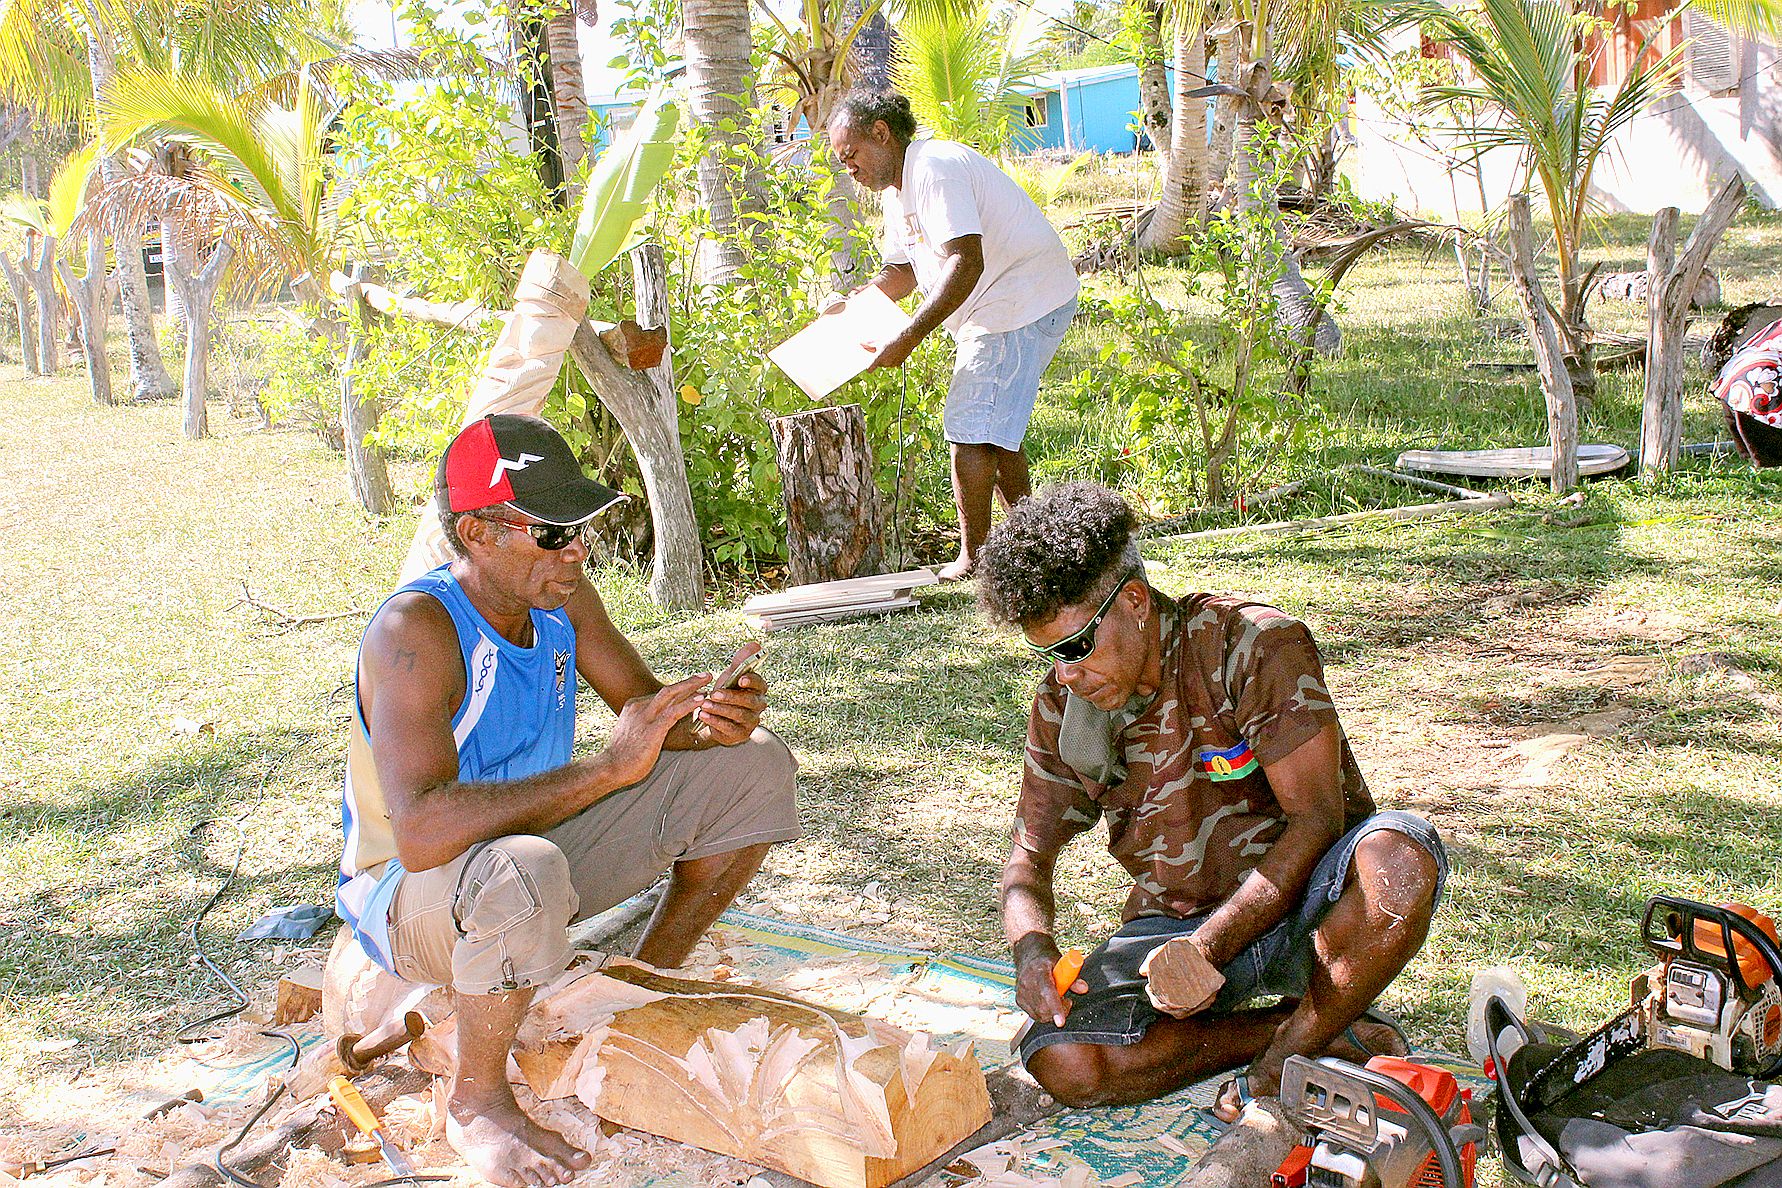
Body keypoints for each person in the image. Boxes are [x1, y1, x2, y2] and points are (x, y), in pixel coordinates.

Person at [335, 414, 800, 1187]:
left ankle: (642, 982)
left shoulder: (562, 599)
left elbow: (643, 719)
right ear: (479, 531)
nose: (578, 550)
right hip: (408, 898)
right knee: (520, 870)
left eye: (580, 527)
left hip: (528, 858)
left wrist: (709, 718)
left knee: (755, 767)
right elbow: (419, 834)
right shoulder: (414, 631)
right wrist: (605, 771)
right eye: (553, 532)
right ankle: (477, 1102)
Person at [976, 482, 1446, 1118]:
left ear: (1135, 601)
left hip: (1303, 909)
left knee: (1399, 861)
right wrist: (1031, 950)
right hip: (1173, 927)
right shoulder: (1066, 710)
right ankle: (1313, 1032)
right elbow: (1029, 857)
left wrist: (1210, 948)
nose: (1064, 674)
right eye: (1048, 656)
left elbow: (1318, 821)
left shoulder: (1251, 645)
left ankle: (1284, 1058)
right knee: (1062, 1058)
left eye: (1074, 647)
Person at [824, 89, 1079, 582]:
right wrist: (853, 307)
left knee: (968, 426)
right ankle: (1032, 546)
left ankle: (977, 559)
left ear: (882, 133)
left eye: (851, 153)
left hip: (1019, 297)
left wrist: (910, 336)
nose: (848, 167)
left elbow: (967, 260)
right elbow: (899, 271)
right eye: (842, 160)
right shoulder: (897, 193)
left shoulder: (935, 167)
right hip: (1000, 303)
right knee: (994, 428)